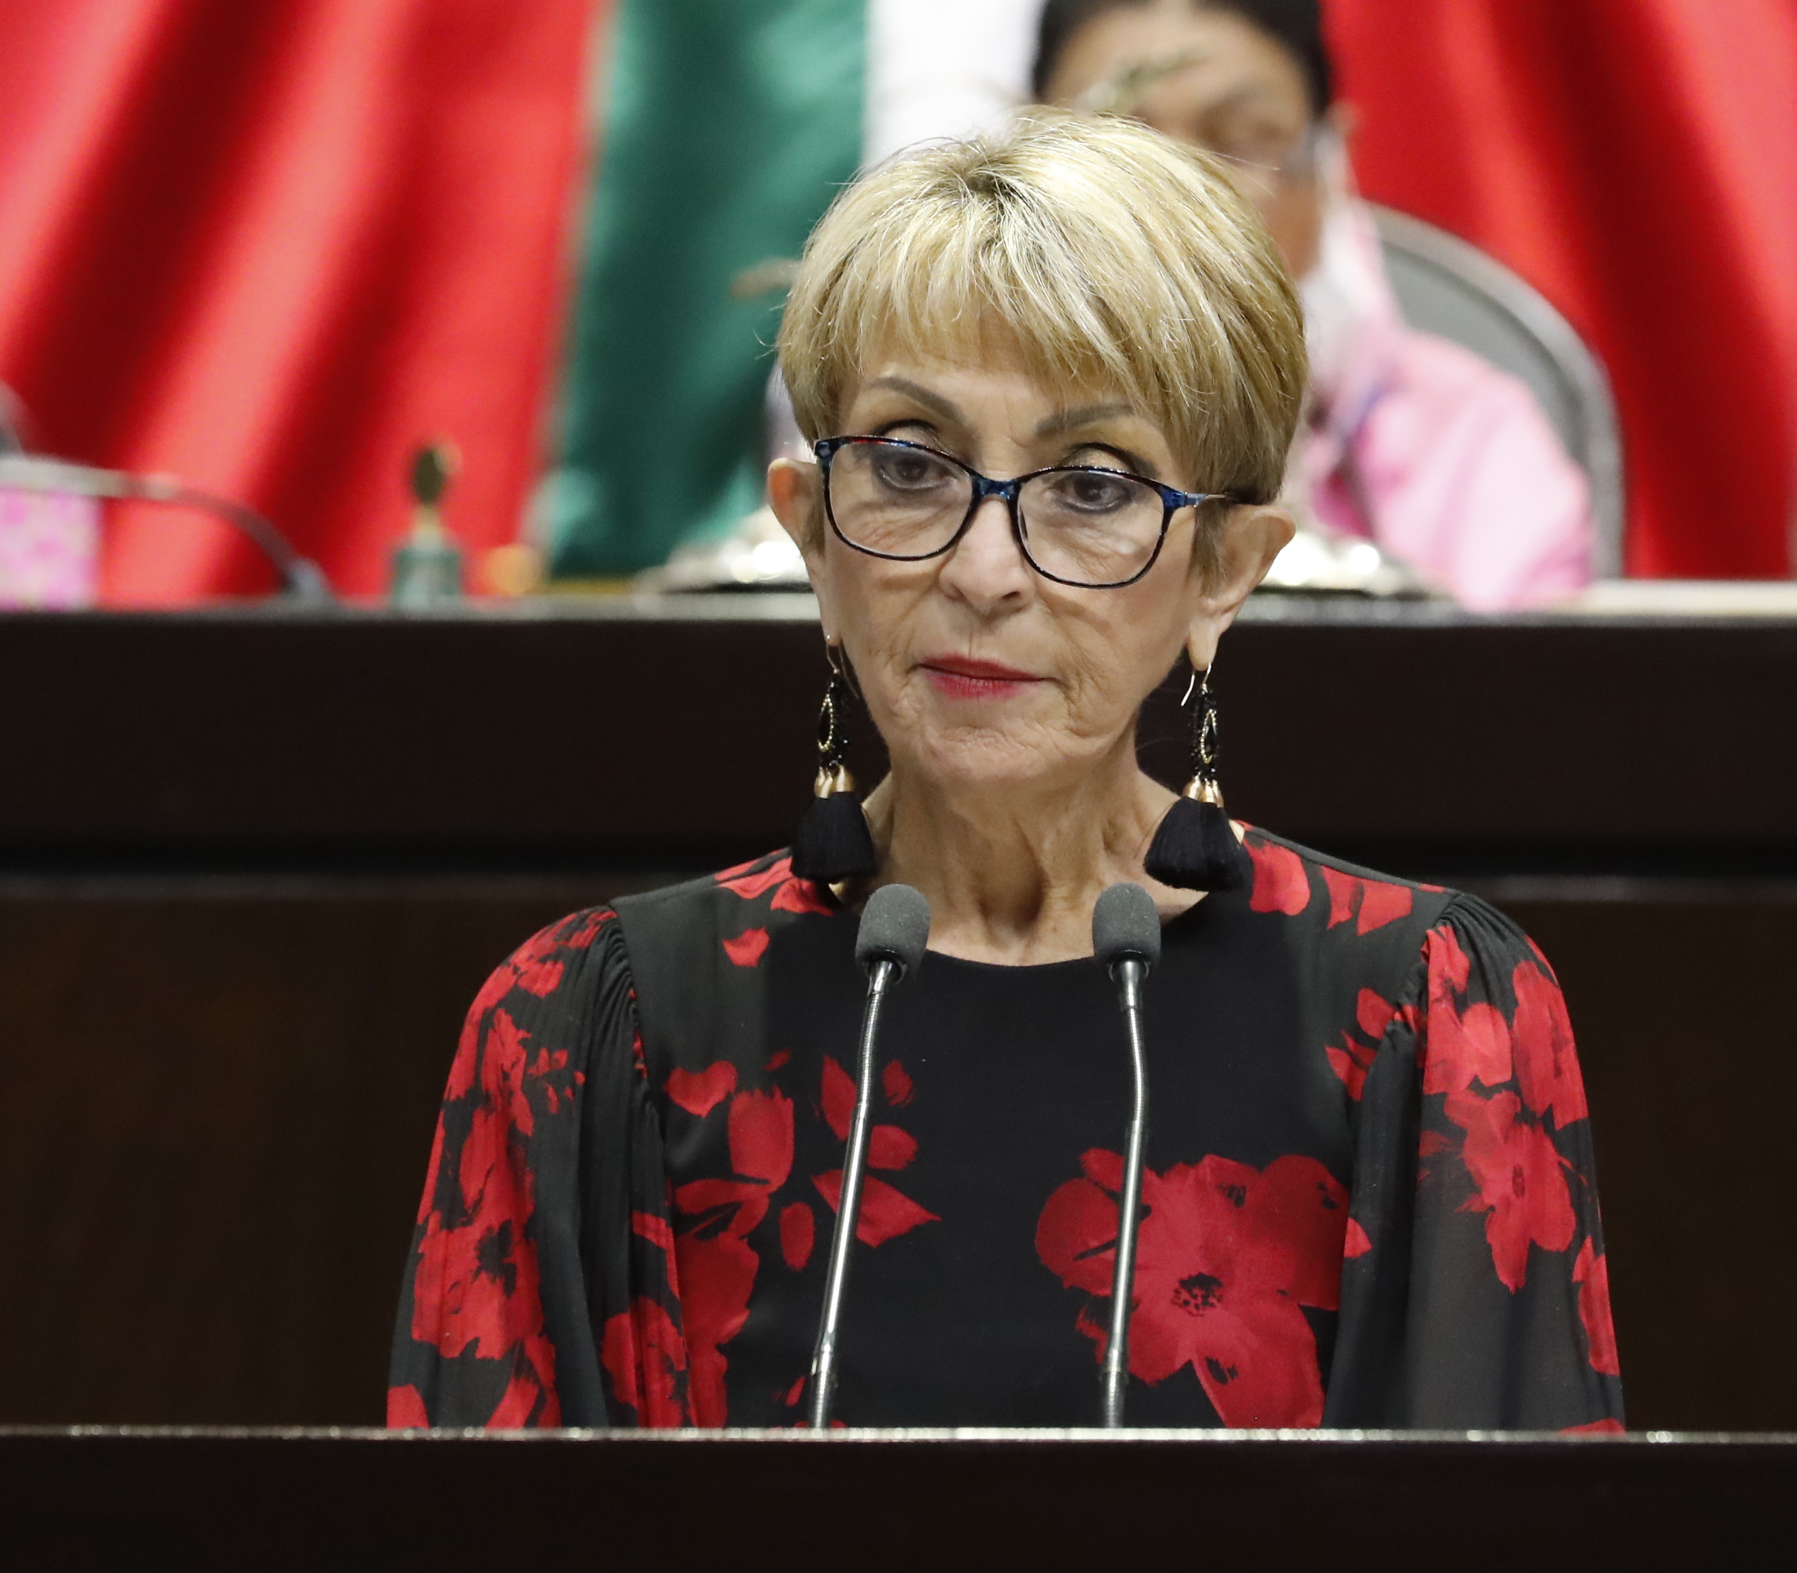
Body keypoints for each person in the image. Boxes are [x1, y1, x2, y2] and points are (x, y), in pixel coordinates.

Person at [389, 112, 1621, 1431]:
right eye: (909, 465)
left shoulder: (1429, 1023)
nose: (983, 573)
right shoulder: (589, 1033)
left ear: (1222, 571)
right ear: (812, 539)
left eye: (1092, 486)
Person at [1036, 0, 1595, 609]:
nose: (1182, 189)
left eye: (1240, 139)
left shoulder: (1471, 440)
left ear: (1330, 161)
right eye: (1119, 141)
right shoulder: (962, 416)